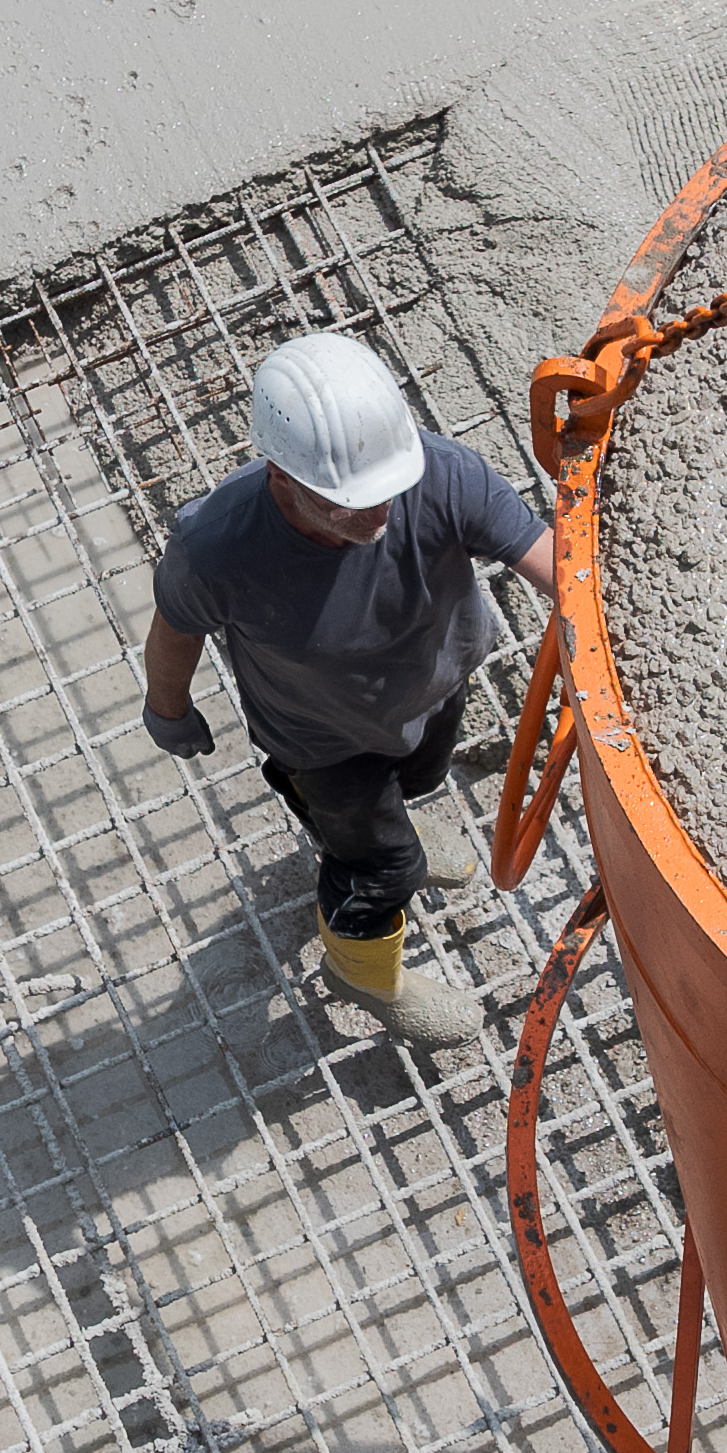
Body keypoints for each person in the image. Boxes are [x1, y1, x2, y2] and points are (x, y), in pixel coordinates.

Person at [140, 330, 547, 1055]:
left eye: (387, 490)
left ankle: (391, 823)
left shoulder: (440, 472)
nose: (379, 514)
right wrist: (166, 707)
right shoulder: (217, 548)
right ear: (280, 475)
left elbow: (554, 562)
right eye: (348, 502)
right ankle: (364, 974)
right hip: (322, 741)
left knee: (421, 777)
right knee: (381, 867)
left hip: (433, 690)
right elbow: (176, 628)